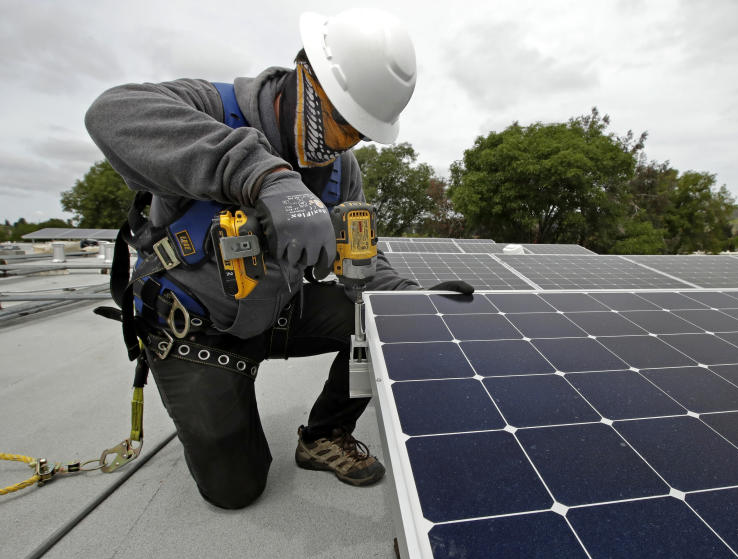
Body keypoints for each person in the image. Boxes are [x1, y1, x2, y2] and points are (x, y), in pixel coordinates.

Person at [85, 8, 471, 509]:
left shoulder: (340, 170)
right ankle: (217, 399)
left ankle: (324, 434)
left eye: (360, 133)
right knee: (236, 490)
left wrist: (405, 299)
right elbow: (110, 112)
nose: (345, 144)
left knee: (376, 323)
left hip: (276, 311)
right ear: (305, 79)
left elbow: (358, 261)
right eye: (342, 125)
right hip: (196, 329)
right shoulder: (212, 108)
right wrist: (266, 177)